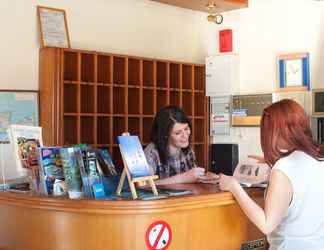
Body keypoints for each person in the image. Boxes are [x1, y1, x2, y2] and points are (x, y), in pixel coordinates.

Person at [209, 99, 324, 249]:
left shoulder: (283, 169)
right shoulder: (319, 159)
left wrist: (234, 186)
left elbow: (266, 224)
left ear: (275, 132)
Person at [144, 106, 205, 185]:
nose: (185, 135)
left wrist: (206, 177)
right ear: (165, 135)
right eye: (178, 133)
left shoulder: (188, 150)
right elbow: (143, 185)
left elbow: (193, 178)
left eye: (186, 129)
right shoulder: (152, 152)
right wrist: (183, 178)